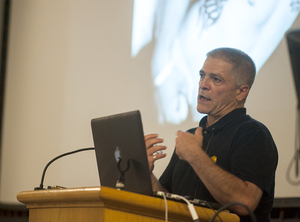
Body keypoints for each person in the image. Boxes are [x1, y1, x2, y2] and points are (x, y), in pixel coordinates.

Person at [144, 47, 278, 222]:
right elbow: (170, 203)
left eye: (216, 79)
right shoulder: (191, 136)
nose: (203, 84)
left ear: (241, 92)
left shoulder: (253, 134)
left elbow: (244, 202)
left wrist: (195, 155)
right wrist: (147, 175)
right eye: (202, 76)